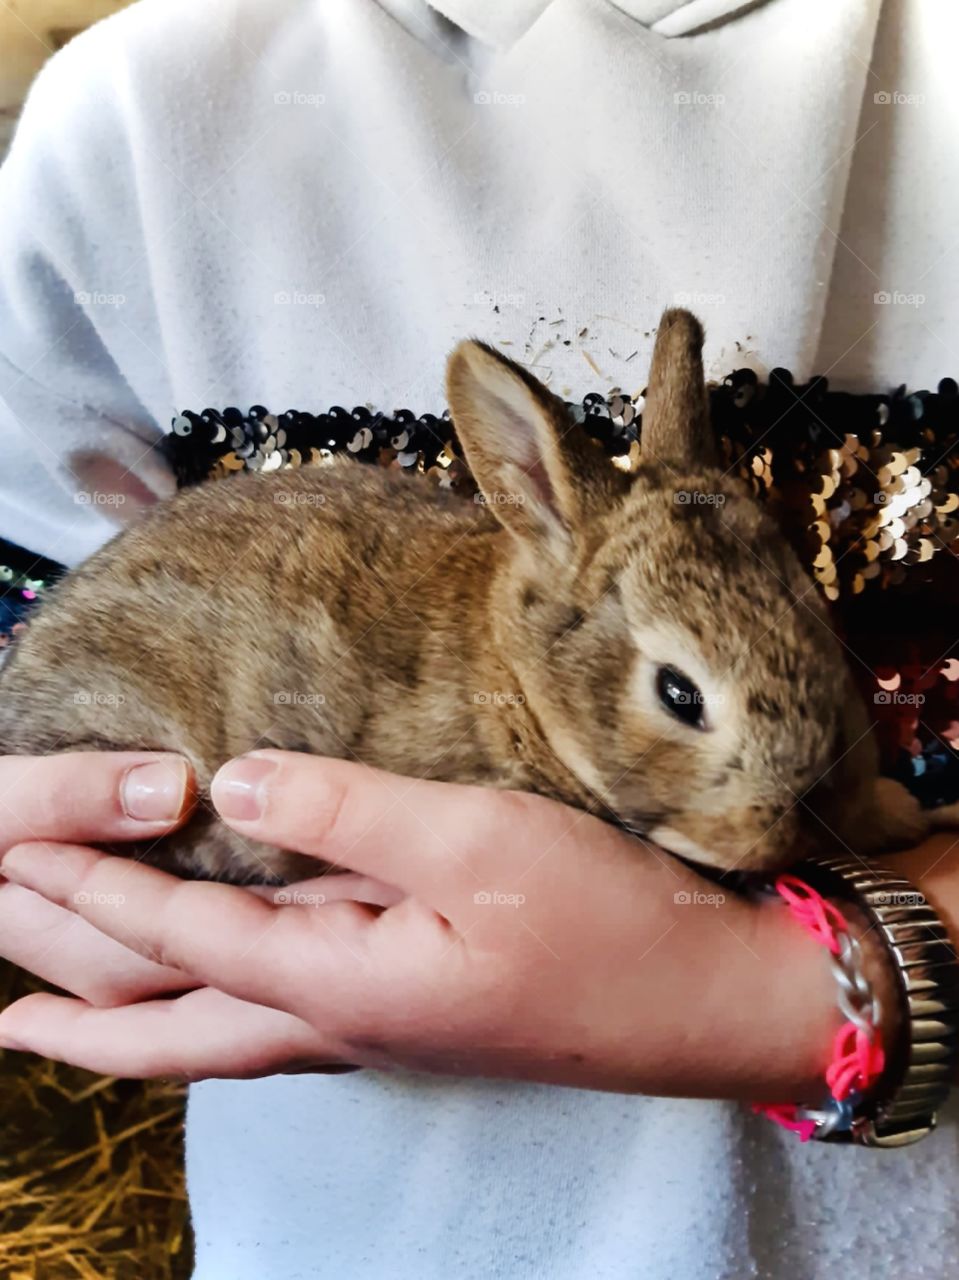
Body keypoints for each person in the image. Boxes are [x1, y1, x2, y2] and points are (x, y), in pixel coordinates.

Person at [1, 1, 958, 1276]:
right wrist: (80, 876)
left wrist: (811, 987)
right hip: (358, 1226)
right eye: (676, 698)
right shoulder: (142, 111)